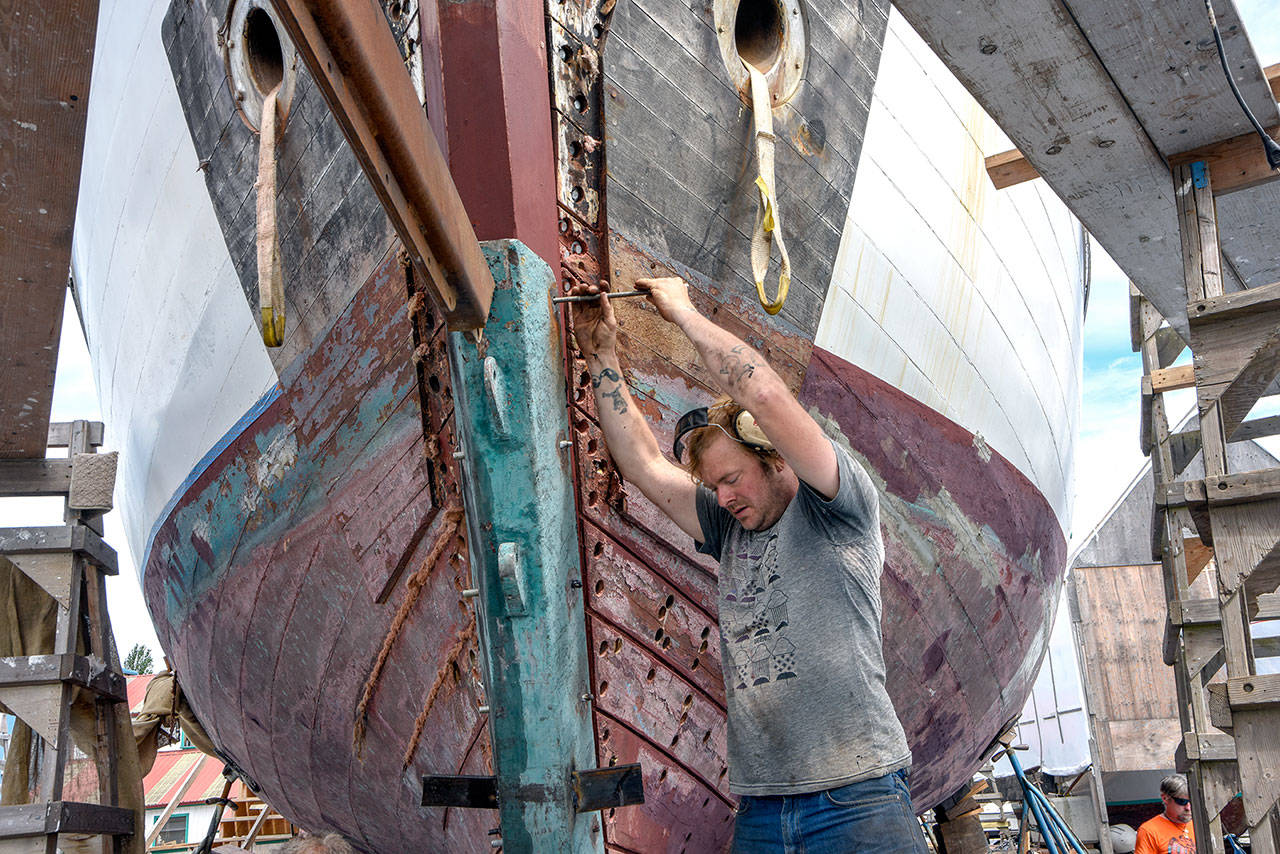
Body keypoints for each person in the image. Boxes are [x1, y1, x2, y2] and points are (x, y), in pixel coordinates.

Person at [570, 277, 924, 853]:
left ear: (775, 458)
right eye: (713, 486)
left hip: (857, 800)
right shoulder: (730, 529)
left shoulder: (838, 508)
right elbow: (642, 465)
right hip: (761, 807)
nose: (724, 497)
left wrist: (681, 310)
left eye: (732, 479)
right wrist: (601, 351)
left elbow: (766, 398)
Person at [1135, 775, 1195, 854]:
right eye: (1182, 802)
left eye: (1191, 801)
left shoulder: (1198, 824)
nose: (1188, 807)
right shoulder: (1149, 831)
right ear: (1165, 798)